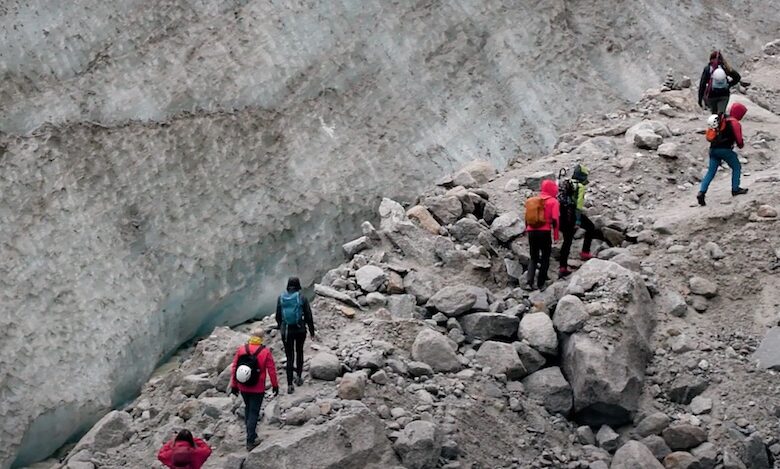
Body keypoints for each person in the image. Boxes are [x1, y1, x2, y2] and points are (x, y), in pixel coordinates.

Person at [230, 329, 279, 450]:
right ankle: (250, 440)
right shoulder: (265, 352)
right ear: (262, 337)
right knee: (253, 412)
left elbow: (235, 367)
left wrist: (234, 385)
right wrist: (275, 385)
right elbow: (271, 370)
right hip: (257, 387)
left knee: (248, 409)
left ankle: (251, 433)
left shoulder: (242, 349)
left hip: (243, 386)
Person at [558, 164, 608, 277]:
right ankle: (585, 252)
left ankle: (562, 267)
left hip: (562, 215)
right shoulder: (580, 186)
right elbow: (579, 206)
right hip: (573, 215)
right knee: (590, 227)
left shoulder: (566, 183)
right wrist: (578, 221)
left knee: (567, 241)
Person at [697, 102, 749, 206]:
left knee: (711, 172)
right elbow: (739, 140)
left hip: (713, 149)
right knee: (736, 167)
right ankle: (735, 189)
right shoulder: (735, 123)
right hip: (725, 150)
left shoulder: (722, 119)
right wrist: (741, 145)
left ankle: (701, 192)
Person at [276, 277, 316, 394]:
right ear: (298, 285)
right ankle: (298, 377)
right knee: (299, 352)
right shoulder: (301, 297)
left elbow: (278, 316)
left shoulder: (281, 298)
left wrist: (281, 327)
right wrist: (312, 331)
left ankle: (289, 384)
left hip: (287, 331)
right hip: (300, 329)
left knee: (289, 356)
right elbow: (308, 315)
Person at [525, 179, 560, 290]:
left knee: (533, 257)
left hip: (531, 231)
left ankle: (529, 282)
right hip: (544, 232)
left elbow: (527, 217)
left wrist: (527, 230)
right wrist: (556, 235)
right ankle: (541, 283)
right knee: (545, 257)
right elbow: (555, 220)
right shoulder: (553, 201)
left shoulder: (533, 200)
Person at [698, 50, 741, 114]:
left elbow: (702, 85)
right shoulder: (725, 67)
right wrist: (728, 84)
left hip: (711, 96)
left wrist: (700, 99)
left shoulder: (708, 69)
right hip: (724, 94)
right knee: (721, 114)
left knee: (714, 114)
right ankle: (722, 121)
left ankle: (715, 121)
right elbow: (737, 77)